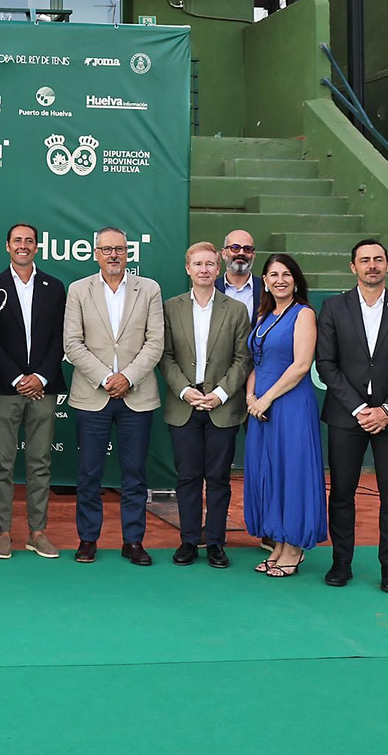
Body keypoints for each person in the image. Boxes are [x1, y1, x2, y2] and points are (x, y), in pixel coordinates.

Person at [317, 238, 388, 593]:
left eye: (378, 259)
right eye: (365, 260)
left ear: (387, 265)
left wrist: (387, 410)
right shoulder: (333, 307)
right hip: (346, 418)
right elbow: (327, 365)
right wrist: (361, 409)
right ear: (353, 267)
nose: (372, 265)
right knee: (342, 494)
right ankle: (341, 562)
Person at [63, 226, 165, 566]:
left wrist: (128, 378)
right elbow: (72, 343)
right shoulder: (79, 290)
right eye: (106, 249)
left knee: (134, 473)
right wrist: (107, 377)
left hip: (137, 395)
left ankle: (133, 541)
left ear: (128, 252)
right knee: (89, 473)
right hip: (94, 394)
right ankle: (88, 539)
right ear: (96, 254)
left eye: (119, 249)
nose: (113, 255)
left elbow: (155, 343)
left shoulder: (149, 289)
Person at [159, 241, 252, 569]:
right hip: (183, 405)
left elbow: (243, 359)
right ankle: (188, 541)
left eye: (209, 264)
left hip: (222, 407)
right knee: (187, 477)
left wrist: (221, 394)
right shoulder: (171, 308)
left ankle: (214, 542)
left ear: (218, 267)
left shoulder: (236, 309)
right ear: (188, 269)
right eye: (197, 264)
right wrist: (185, 390)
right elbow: (165, 356)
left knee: (218, 479)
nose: (203, 269)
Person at [0, 222, 66, 560]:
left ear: (37, 247)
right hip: (4, 387)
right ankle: (3, 533)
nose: (23, 245)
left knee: (40, 463)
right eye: (17, 240)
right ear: (7, 246)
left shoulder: (55, 287)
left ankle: (37, 532)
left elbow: (61, 338)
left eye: (29, 241)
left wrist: (41, 377)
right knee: (1, 463)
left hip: (43, 389)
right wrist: (17, 377)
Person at [242, 253, 327, 578]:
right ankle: (278, 543)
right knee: (269, 473)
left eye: (286, 274)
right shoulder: (264, 315)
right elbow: (256, 363)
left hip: (290, 406)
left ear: (296, 280)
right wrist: (252, 396)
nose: (280, 279)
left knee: (292, 472)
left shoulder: (303, 314)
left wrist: (267, 399)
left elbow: (301, 366)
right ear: (264, 281)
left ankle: (294, 548)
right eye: (273, 274)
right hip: (261, 407)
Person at [220, 230, 261, 320]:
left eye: (247, 249)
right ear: (223, 253)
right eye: (235, 248)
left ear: (253, 255)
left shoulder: (266, 290)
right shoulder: (212, 288)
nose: (241, 253)